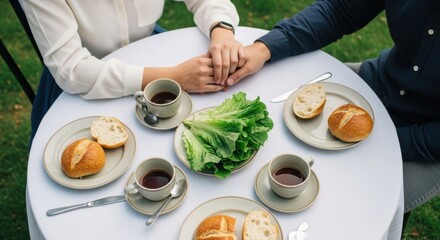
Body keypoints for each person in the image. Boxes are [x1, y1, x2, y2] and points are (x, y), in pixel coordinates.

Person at [226, 0, 440, 218]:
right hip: (378, 83)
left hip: (426, 139)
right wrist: (265, 49)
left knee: (353, 211)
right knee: (278, 139)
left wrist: (387, 144)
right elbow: (340, 10)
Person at [19, 0, 244, 141]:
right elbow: (71, 69)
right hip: (87, 75)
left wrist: (221, 29)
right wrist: (173, 77)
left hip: (149, 48)